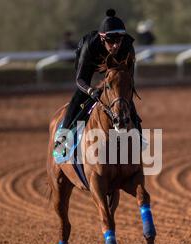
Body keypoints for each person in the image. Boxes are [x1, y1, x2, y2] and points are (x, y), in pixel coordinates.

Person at [53, 9, 142, 157]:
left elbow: (128, 81)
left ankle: (137, 134)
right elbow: (80, 79)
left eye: (119, 40)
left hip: (117, 71)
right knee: (78, 99)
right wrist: (91, 91)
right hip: (89, 65)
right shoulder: (89, 46)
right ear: (102, 39)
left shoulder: (127, 46)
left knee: (125, 99)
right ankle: (63, 138)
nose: (115, 45)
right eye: (111, 41)